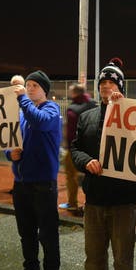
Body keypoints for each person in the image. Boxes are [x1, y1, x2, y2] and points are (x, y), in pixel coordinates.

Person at [70, 58, 136, 270]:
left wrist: (125, 110)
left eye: (112, 82)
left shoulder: (135, 117)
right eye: (103, 83)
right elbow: (75, 149)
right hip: (95, 201)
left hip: (124, 201)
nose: (106, 86)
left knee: (123, 260)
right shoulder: (87, 117)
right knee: (94, 257)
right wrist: (86, 161)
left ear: (120, 87)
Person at [4, 70, 62, 270]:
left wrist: (22, 98)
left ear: (44, 90)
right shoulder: (21, 113)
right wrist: (10, 154)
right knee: (26, 232)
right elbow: (9, 141)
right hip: (21, 182)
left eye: (34, 86)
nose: (29, 89)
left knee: (47, 235)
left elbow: (39, 123)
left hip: (43, 184)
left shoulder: (51, 110)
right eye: (27, 85)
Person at [58, 83, 95, 214]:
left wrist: (68, 146)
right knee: (91, 176)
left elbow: (71, 131)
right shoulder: (93, 104)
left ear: (75, 93)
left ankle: (72, 203)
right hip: (91, 147)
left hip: (74, 148)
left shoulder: (72, 109)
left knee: (71, 175)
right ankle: (90, 204)